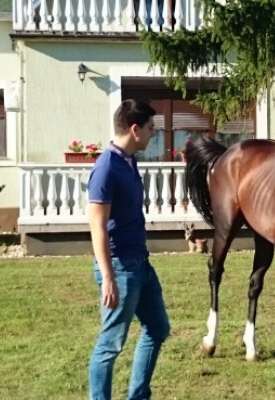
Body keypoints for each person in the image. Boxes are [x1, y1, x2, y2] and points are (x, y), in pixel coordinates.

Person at [87, 99, 170, 400]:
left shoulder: (128, 161)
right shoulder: (106, 168)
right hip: (120, 268)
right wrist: (108, 277)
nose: (153, 135)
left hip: (140, 265)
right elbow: (97, 226)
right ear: (135, 129)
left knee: (158, 328)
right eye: (151, 129)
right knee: (110, 345)